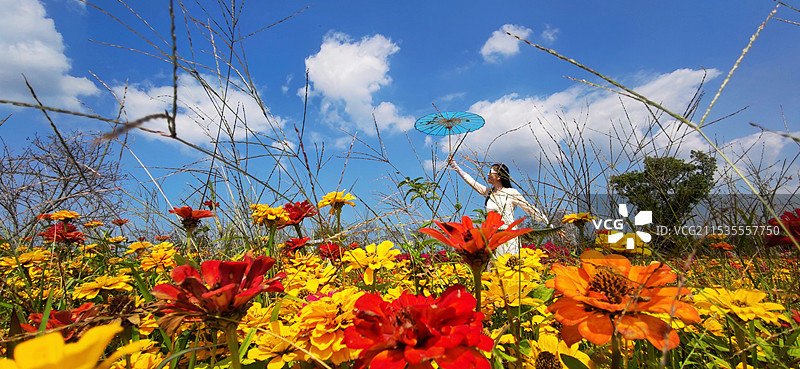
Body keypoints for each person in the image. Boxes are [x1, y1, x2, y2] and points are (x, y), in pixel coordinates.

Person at [449, 159, 552, 255]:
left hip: (508, 237)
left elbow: (530, 209)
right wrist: (455, 165)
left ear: (499, 176)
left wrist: (549, 226)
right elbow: (470, 180)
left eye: (491, 172)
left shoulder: (511, 193)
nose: (488, 174)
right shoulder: (488, 193)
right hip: (491, 237)